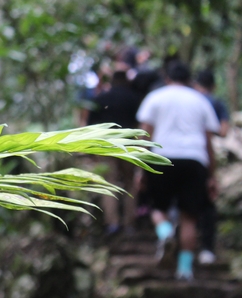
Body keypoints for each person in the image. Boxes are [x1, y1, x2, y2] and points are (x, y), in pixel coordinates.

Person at [136, 61, 221, 280]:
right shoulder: (201, 101)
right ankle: (185, 270)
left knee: (157, 208)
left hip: (160, 157)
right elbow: (209, 142)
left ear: (167, 79)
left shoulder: (155, 97)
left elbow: (144, 135)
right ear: (189, 80)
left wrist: (140, 168)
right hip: (194, 159)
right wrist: (212, 175)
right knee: (189, 217)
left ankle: (165, 234)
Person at [87, 70, 144, 235]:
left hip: (107, 145)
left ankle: (112, 223)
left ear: (112, 81)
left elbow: (91, 125)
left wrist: (91, 150)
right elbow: (141, 123)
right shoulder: (134, 98)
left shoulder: (101, 98)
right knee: (130, 183)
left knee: (109, 183)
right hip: (128, 144)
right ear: (126, 81)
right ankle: (129, 223)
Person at [194, 69, 231, 265]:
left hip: (180, 154)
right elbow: (223, 131)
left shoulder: (188, 100)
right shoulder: (217, 103)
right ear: (214, 86)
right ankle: (207, 249)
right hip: (207, 156)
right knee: (207, 203)